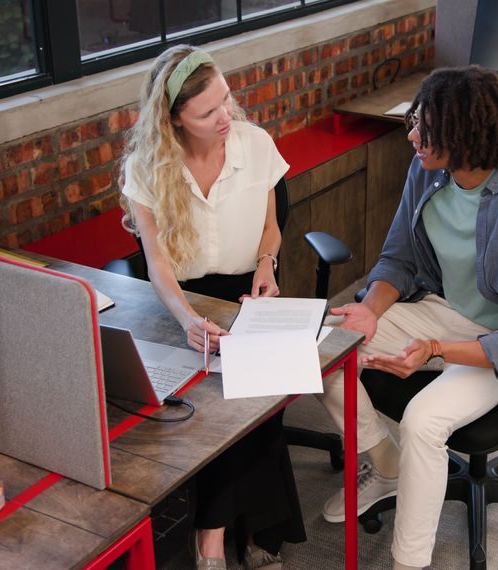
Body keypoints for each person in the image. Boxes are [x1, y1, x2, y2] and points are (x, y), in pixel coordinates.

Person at [317, 66, 498, 569]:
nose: (412, 137)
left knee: (423, 422)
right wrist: (368, 311)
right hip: (442, 311)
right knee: (323, 344)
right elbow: (399, 259)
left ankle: (408, 563)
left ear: (467, 138)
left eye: (426, 132)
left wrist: (435, 351)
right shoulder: (428, 171)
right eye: (415, 122)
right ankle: (386, 463)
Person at [118, 45, 301, 570]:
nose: (227, 116)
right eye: (208, 112)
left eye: (226, 100)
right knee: (203, 413)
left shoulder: (254, 143)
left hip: (249, 289)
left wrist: (268, 266)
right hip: (185, 301)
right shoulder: (147, 168)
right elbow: (157, 265)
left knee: (252, 402)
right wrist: (185, 319)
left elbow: (271, 226)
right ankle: (254, 533)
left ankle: (211, 540)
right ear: (174, 119)